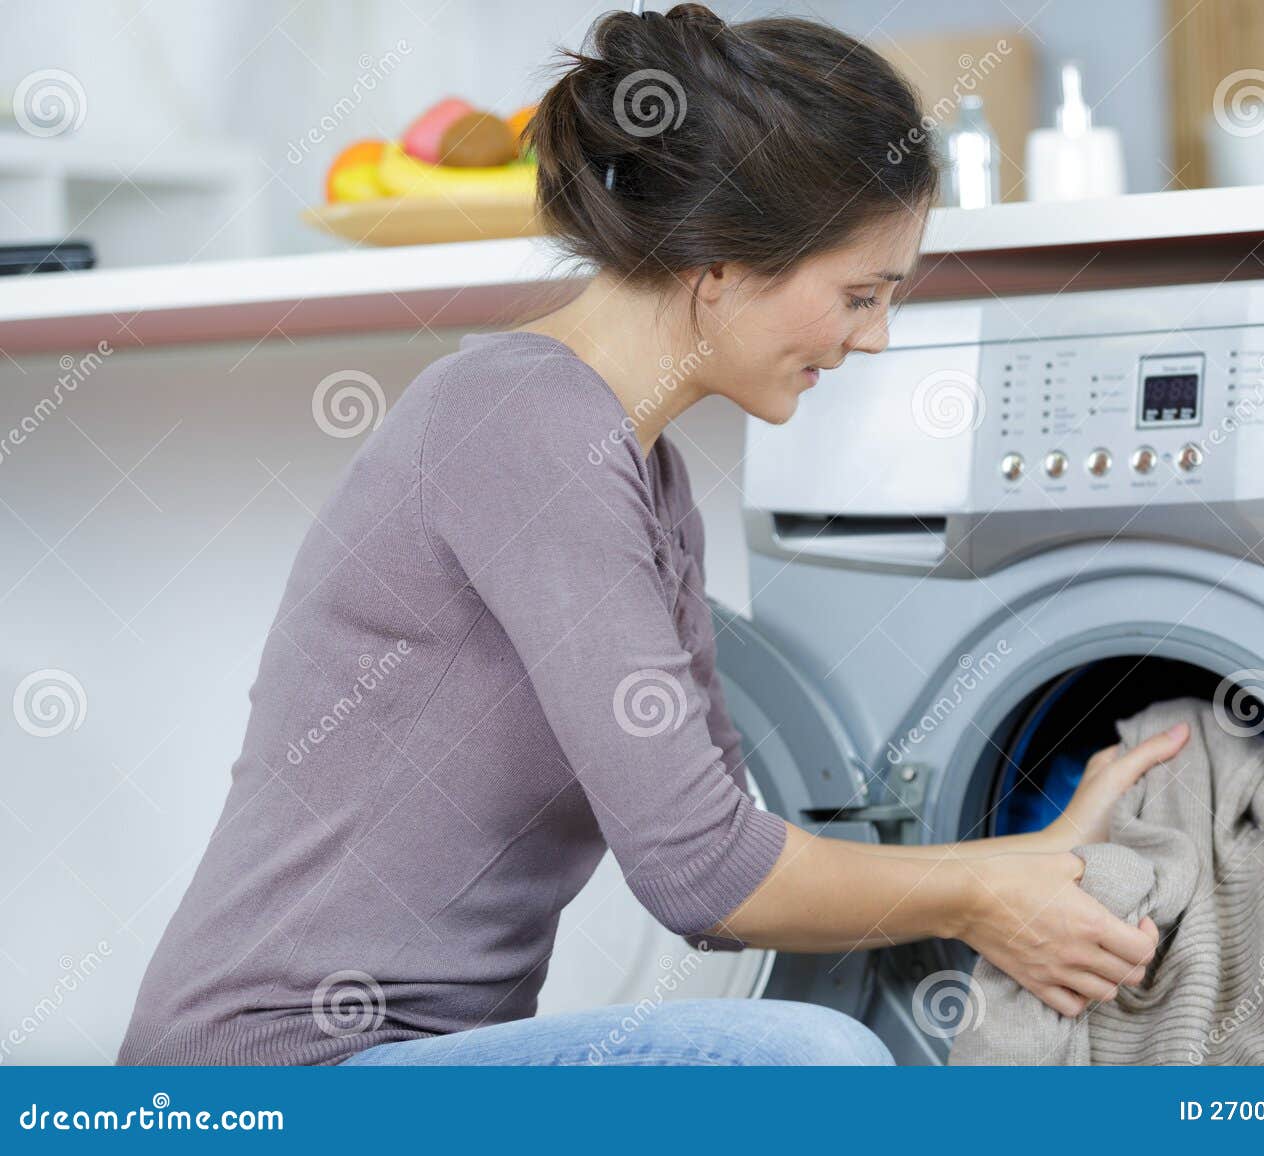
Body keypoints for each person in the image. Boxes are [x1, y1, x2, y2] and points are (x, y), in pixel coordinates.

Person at [117, 4, 1185, 1069]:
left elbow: (717, 865)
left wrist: (1020, 864)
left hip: (413, 1065)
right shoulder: (522, 423)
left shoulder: (644, 475)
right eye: (859, 293)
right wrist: (982, 893)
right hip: (271, 1075)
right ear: (716, 265)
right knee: (811, 1062)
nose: (874, 336)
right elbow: (706, 874)